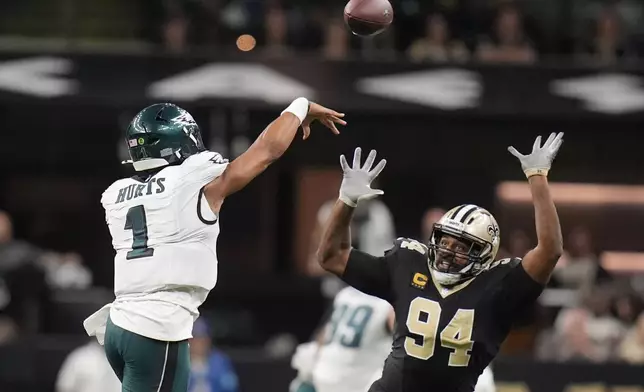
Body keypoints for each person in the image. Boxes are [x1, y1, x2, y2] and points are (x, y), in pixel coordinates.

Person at [83, 98, 345, 392]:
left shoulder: (117, 194)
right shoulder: (191, 179)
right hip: (155, 326)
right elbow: (266, 151)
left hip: (121, 324)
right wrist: (298, 109)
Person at [317, 133, 564, 392]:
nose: (447, 251)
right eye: (444, 242)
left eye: (460, 246)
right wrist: (346, 200)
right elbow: (331, 256)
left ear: (484, 253)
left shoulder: (498, 287)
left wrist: (537, 176)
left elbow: (550, 251)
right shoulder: (409, 264)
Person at [189, 318, 239, 392]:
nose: (199, 343)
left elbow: (231, 386)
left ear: (209, 340)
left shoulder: (220, 361)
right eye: (195, 338)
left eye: (203, 338)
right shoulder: (180, 361)